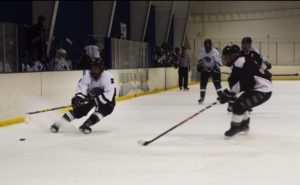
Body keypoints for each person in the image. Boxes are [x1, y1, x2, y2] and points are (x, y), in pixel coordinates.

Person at [50, 58, 116, 134]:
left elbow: (109, 95)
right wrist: (78, 98)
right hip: (91, 95)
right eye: (92, 68)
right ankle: (58, 123)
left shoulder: (108, 77)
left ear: (101, 69)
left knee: (107, 108)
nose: (94, 70)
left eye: (96, 68)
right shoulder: (87, 76)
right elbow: (81, 88)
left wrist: (93, 100)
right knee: (79, 111)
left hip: (106, 98)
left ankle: (87, 124)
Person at [218, 45, 272, 137]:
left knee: (239, 105)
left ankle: (235, 127)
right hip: (261, 89)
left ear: (233, 56)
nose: (225, 59)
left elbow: (243, 81)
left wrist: (230, 94)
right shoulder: (243, 60)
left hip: (262, 91)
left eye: (226, 57)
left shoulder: (240, 62)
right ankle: (244, 124)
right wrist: (230, 94)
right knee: (241, 103)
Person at [197, 39, 222, 103]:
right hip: (205, 69)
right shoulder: (202, 51)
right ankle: (202, 97)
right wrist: (203, 67)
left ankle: (220, 96)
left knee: (217, 83)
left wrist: (214, 68)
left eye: (208, 46)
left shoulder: (215, 52)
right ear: (204, 46)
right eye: (206, 46)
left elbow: (219, 62)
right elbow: (200, 60)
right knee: (203, 83)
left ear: (211, 45)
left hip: (214, 68)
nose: (207, 48)